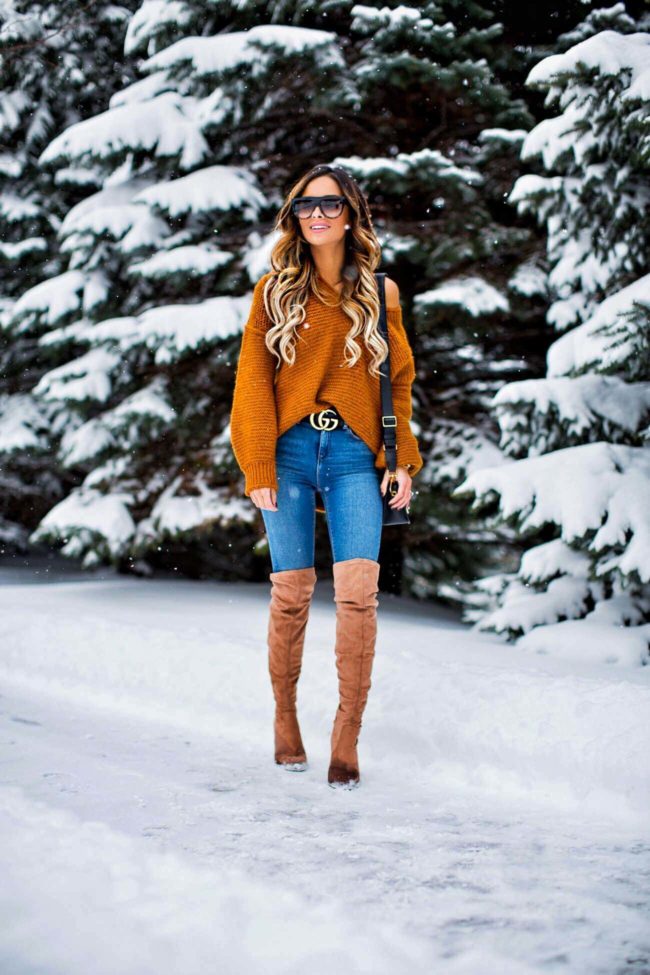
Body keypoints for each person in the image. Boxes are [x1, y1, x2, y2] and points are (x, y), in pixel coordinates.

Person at [229, 163, 423, 788]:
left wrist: (403, 460)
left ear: (351, 215)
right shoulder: (273, 292)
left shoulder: (380, 293)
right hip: (285, 455)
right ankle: (285, 719)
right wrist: (256, 461)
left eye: (330, 204)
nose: (317, 214)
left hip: (352, 457)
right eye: (306, 205)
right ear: (294, 216)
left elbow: (397, 383)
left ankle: (347, 733)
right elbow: (252, 382)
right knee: (290, 591)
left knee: (357, 594)